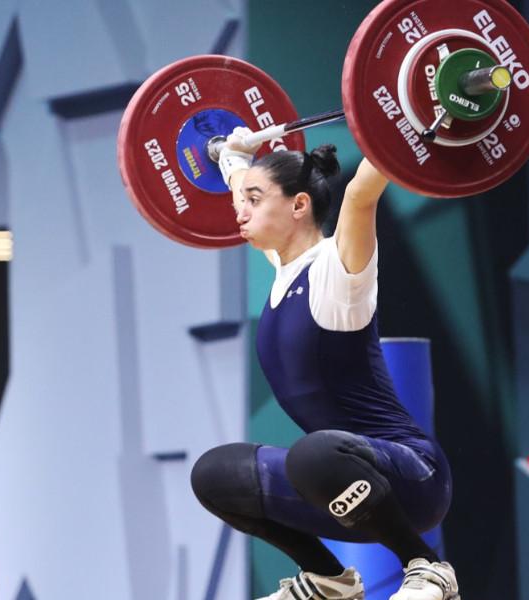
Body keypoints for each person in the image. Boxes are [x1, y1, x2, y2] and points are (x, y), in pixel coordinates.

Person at [190, 128, 459, 600]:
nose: (240, 210)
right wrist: (232, 158)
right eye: (242, 200)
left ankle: (428, 567)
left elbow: (361, 192)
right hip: (335, 485)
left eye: (254, 200)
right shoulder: (284, 267)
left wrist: (407, 119)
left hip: (412, 480)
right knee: (215, 475)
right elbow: (242, 185)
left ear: (299, 206)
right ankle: (328, 581)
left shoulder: (339, 270)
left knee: (311, 454)